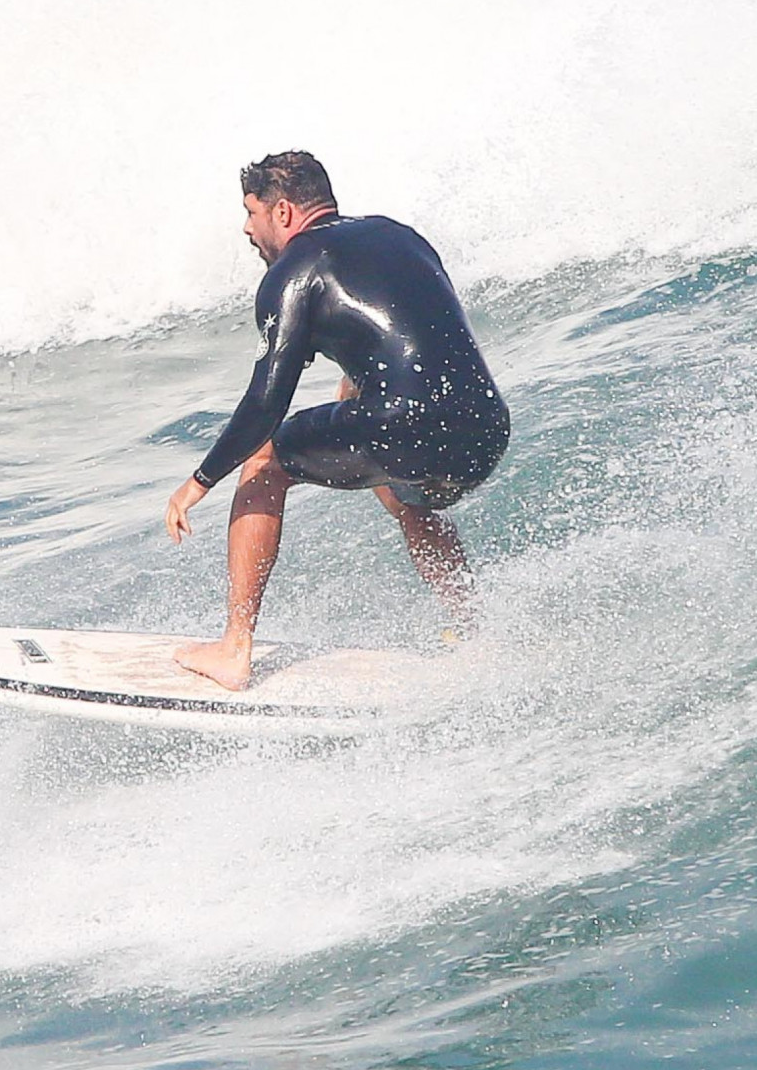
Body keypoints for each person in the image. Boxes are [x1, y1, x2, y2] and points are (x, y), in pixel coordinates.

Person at [164, 151, 510, 689]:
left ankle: (234, 648)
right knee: (405, 489)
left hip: (405, 429)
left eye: (251, 213)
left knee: (264, 457)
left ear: (282, 213)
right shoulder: (400, 237)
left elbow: (265, 403)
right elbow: (412, 340)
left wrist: (198, 482)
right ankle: (474, 627)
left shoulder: (292, 273)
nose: (246, 228)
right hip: (485, 429)